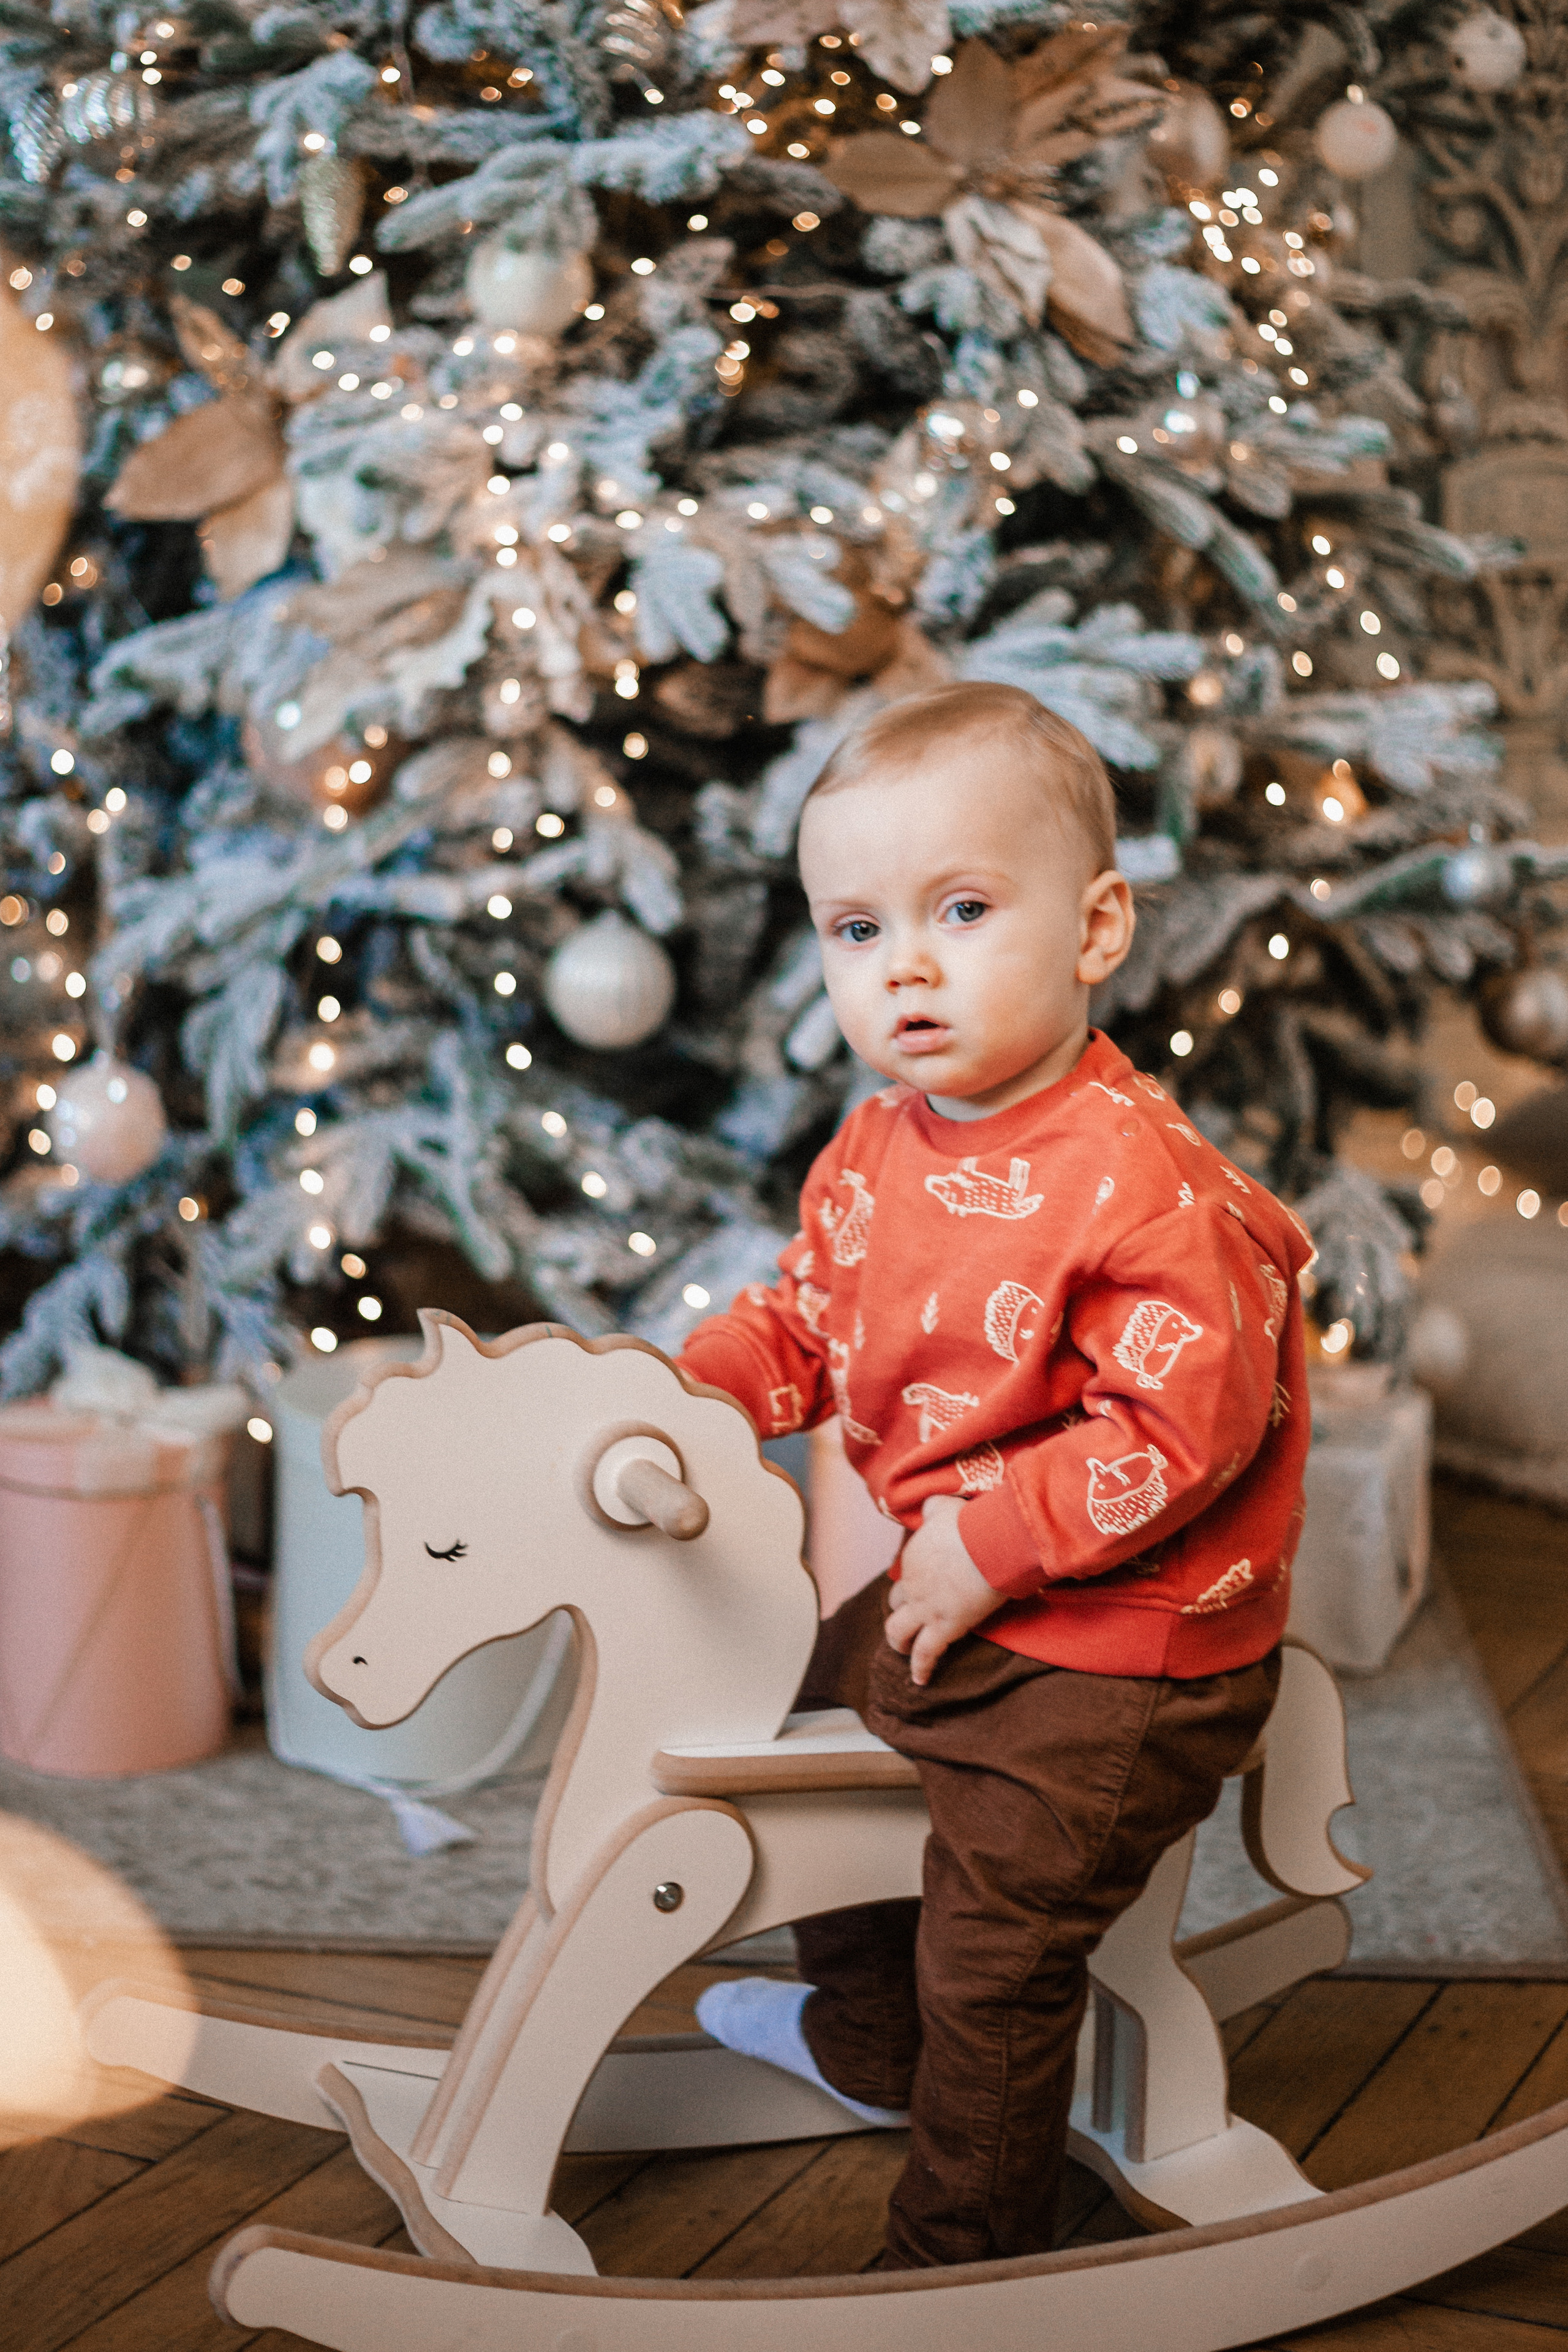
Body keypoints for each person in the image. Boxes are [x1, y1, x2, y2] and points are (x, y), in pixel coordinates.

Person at [678, 679, 1311, 2269]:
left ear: (1098, 928)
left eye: (961, 908)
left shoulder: (1142, 1182)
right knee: (802, 1701)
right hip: (965, 1591)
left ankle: (965, 2246)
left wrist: (1002, 1537)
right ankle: (864, 2030)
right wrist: (687, 1398)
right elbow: (808, 1315)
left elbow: (1187, 1427)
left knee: (999, 1944)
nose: (905, 965)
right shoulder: (882, 1146)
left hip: (1126, 1647)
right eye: (854, 928)